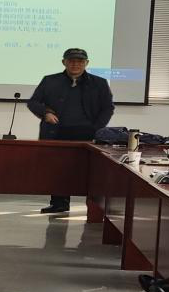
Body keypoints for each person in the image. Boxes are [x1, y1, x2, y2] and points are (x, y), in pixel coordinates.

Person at [26, 47, 115, 213]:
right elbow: (33, 102)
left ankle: (93, 208)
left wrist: (97, 129)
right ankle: (59, 203)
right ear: (64, 62)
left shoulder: (99, 83)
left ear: (86, 63)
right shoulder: (50, 80)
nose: (75, 64)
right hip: (56, 132)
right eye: (71, 61)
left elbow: (108, 108)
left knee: (90, 170)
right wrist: (45, 113)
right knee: (57, 169)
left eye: (80, 61)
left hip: (88, 133)